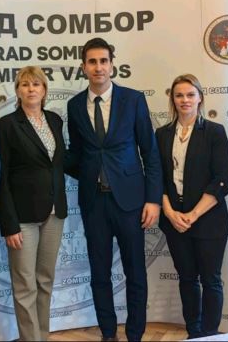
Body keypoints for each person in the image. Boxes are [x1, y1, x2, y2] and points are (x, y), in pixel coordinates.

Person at [66, 37, 163, 342]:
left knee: (135, 272)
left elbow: (150, 152)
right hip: (94, 202)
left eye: (103, 61)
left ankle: (135, 334)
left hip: (131, 202)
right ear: (83, 67)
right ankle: (108, 333)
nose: (98, 67)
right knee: (99, 273)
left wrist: (153, 199)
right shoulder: (74, 105)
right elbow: (78, 154)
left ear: (112, 65)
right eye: (92, 62)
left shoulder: (133, 100)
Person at [155, 74, 228, 339]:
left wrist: (193, 214)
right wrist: (169, 212)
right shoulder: (162, 134)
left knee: (211, 280)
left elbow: (222, 180)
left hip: (209, 220)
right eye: (179, 95)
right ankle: (194, 333)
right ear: (172, 99)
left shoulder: (214, 132)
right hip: (174, 221)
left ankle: (210, 333)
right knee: (187, 279)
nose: (185, 100)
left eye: (190, 94)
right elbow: (156, 177)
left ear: (200, 97)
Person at [0, 66, 67, 341]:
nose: (31, 89)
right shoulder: (6, 125)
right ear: (17, 91)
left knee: (45, 280)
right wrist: (9, 224)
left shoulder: (54, 120)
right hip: (22, 217)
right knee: (25, 285)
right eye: (25, 84)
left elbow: (57, 163)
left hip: (54, 212)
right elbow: (1, 177)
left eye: (36, 84)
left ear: (44, 90)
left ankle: (43, 336)